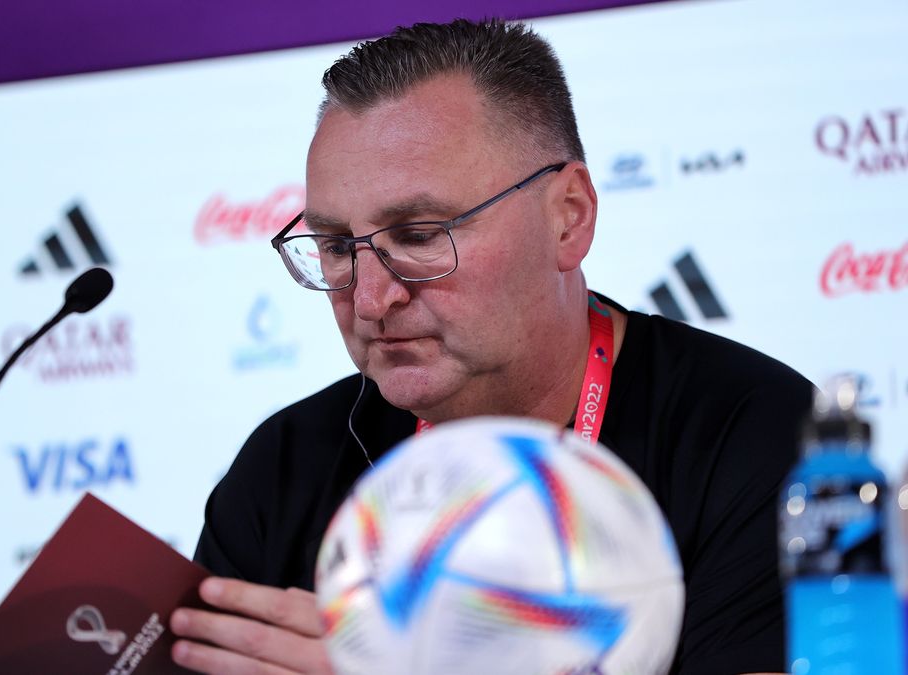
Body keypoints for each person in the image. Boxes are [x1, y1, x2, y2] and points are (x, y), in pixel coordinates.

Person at [167, 19, 813, 675]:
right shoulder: (284, 467)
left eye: (418, 234)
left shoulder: (758, 432)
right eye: (337, 247)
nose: (369, 300)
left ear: (569, 216)